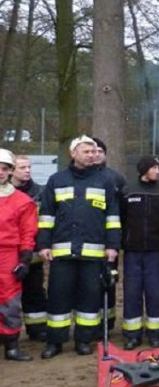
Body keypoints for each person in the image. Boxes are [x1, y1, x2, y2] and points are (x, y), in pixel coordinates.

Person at [38, 136, 121, 358]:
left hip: (94, 252)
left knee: (89, 297)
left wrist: (113, 245)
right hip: (62, 252)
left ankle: (83, 340)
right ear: (73, 154)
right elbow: (46, 215)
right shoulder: (56, 180)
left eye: (94, 152)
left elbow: (112, 217)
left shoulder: (105, 180)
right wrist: (43, 244)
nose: (92, 155)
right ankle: (55, 342)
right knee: (58, 297)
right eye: (86, 151)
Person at [119, 156, 159, 349]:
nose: (158, 171)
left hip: (157, 252)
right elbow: (122, 219)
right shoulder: (127, 191)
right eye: (154, 168)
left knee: (155, 292)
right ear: (144, 170)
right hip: (132, 252)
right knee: (132, 293)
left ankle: (155, 334)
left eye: (158, 168)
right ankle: (132, 335)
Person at [0, 148, 37, 361]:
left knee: (9, 301)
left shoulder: (22, 201)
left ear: (11, 171)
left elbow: (27, 233)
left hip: (8, 255)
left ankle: (11, 346)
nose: (0, 172)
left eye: (5, 169)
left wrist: (24, 260)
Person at [10, 155, 46, 340]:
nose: (27, 171)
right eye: (22, 167)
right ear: (12, 170)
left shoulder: (40, 192)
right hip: (8, 254)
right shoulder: (5, 193)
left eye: (29, 167)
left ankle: (38, 329)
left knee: (34, 292)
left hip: (32, 254)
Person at [94, 138, 126, 336]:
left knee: (109, 281)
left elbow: (123, 210)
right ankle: (92, 323)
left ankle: (109, 321)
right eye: (92, 151)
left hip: (110, 241)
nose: (96, 154)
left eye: (100, 151)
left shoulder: (116, 178)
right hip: (87, 241)